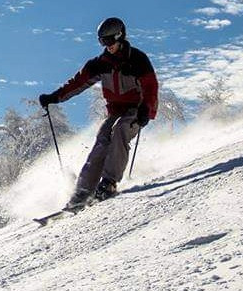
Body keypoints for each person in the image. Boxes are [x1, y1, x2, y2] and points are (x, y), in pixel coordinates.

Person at [39, 17, 158, 211]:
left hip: (137, 109)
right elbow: (76, 83)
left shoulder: (137, 60)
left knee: (120, 131)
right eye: (103, 42)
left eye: (110, 41)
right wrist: (55, 97)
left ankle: (109, 182)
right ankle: (83, 190)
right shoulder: (100, 64)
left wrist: (146, 109)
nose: (107, 46)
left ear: (120, 37)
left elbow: (150, 86)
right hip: (116, 110)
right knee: (102, 138)